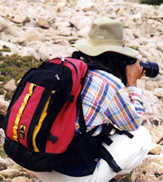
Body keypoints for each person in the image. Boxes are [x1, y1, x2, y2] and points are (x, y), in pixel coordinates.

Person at [33, 18, 152, 182]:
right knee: (142, 136)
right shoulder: (109, 83)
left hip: (32, 159)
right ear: (118, 55)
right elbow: (132, 123)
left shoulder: (67, 67)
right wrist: (132, 83)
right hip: (68, 174)